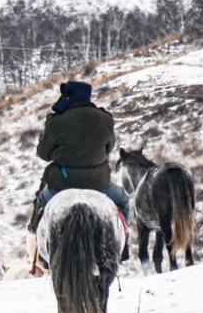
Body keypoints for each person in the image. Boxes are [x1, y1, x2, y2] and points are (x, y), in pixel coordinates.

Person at [31, 79, 130, 258]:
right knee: (123, 201)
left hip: (61, 183)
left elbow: (44, 154)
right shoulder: (105, 118)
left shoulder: (57, 121)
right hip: (99, 183)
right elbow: (109, 148)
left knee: (41, 203)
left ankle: (41, 249)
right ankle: (123, 247)